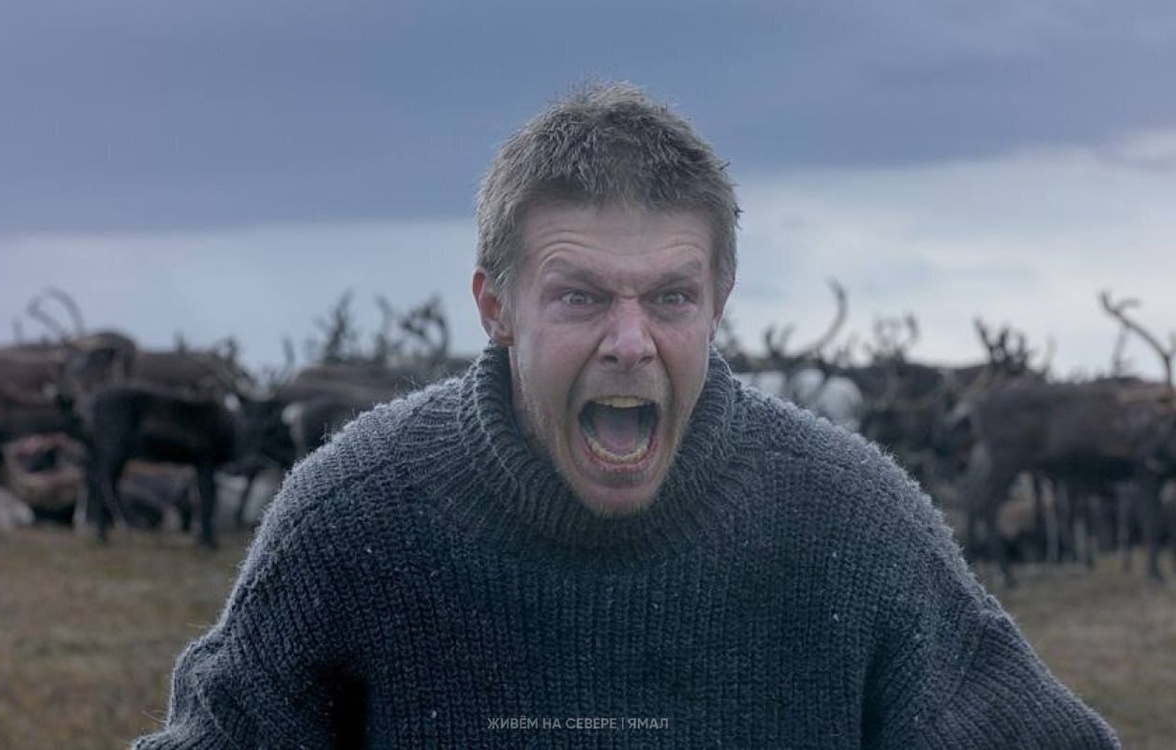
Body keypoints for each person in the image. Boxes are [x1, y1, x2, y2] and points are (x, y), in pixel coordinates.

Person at [134, 82, 1119, 748]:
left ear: (719, 301)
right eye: (581, 296)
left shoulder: (852, 525)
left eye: (671, 297)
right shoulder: (352, 520)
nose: (631, 341)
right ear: (495, 307)